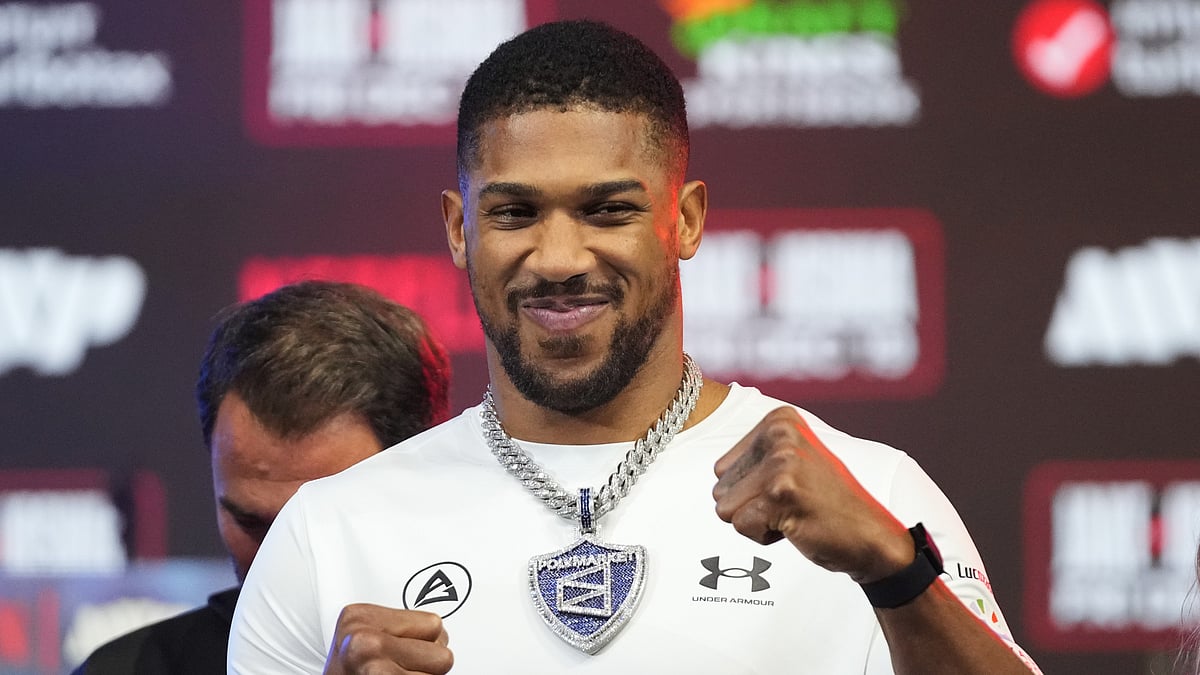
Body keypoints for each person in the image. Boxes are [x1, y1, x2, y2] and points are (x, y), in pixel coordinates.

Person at [229, 21, 1043, 674]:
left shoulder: (876, 494)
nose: (557, 258)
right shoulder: (329, 532)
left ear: (685, 219)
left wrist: (895, 573)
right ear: (458, 227)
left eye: (607, 210)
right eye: (515, 213)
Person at [72, 280, 450, 674]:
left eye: (316, 523)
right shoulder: (126, 670)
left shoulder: (508, 639)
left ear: (419, 480)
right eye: (250, 522)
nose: (279, 557)